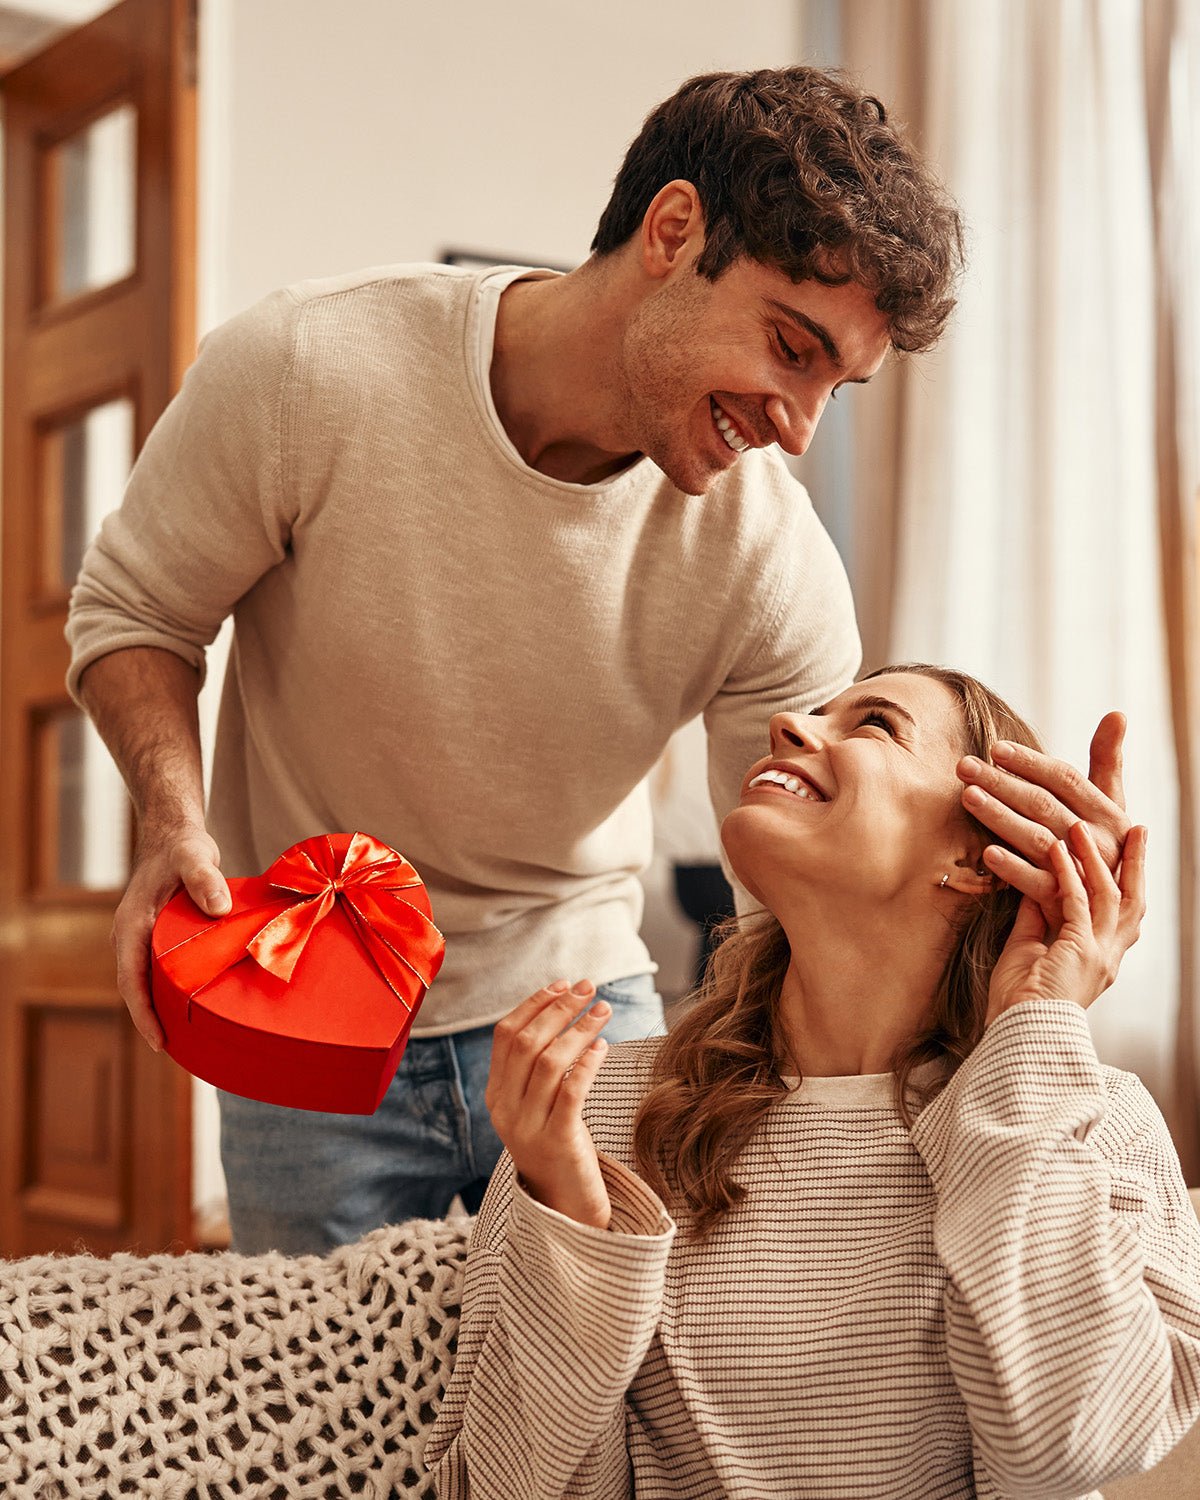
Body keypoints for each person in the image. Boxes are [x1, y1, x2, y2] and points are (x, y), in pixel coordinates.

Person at [66, 67, 1128, 1254]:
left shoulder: (773, 560)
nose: (799, 423)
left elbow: (797, 890)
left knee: (605, 1410)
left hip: (586, 1008)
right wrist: (171, 823)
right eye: (791, 347)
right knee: (329, 1421)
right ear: (673, 232)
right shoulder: (309, 368)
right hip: (310, 997)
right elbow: (135, 613)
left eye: (838, 384)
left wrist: (1008, 951)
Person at [425, 665, 1200, 1500]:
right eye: (812, 710)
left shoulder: (1087, 1113)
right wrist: (574, 1225)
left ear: (978, 862)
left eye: (874, 725)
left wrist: (1034, 1026)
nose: (789, 725)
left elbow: (1067, 1443)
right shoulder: (594, 1113)